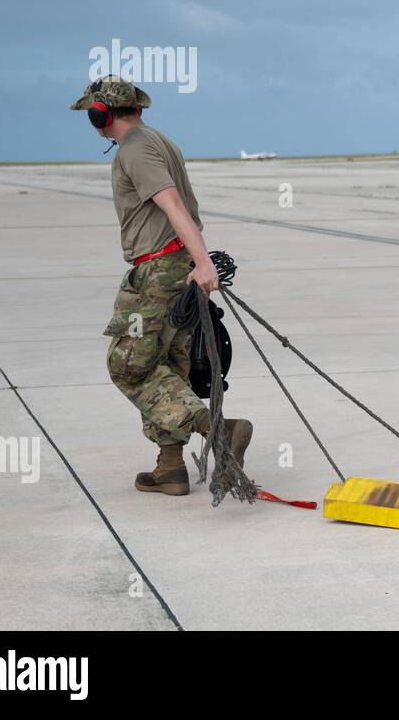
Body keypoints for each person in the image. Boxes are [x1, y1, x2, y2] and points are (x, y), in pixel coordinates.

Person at [70, 75, 251, 496]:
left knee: (129, 367)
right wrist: (196, 262)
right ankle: (170, 466)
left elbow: (170, 203)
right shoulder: (158, 141)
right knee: (168, 366)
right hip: (178, 267)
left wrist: (204, 262)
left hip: (159, 271)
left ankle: (220, 429)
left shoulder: (134, 150)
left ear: (101, 113)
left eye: (91, 114)